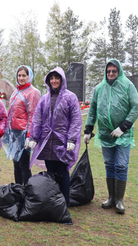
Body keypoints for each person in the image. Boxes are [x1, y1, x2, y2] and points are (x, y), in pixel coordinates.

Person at [84, 59, 138, 214]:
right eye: (108, 71)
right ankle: (111, 197)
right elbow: (93, 110)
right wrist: (88, 129)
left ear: (119, 71)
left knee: (121, 165)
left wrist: (123, 127)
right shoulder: (99, 88)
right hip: (105, 135)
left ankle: (119, 200)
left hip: (123, 134)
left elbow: (136, 106)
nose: (110, 74)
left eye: (113, 71)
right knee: (109, 165)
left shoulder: (127, 86)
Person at [28, 67, 82, 206]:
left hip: (62, 142)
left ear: (62, 79)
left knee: (63, 172)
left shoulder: (70, 97)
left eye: (56, 78)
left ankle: (65, 202)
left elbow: (76, 119)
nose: (54, 81)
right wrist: (34, 137)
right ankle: (54, 202)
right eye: (51, 78)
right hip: (47, 142)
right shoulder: (44, 99)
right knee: (51, 172)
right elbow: (37, 119)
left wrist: (71, 139)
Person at [2, 65, 41, 186]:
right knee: (16, 164)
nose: (21, 78)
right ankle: (18, 188)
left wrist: (30, 135)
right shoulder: (16, 92)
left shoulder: (33, 92)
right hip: (14, 133)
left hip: (24, 134)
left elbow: (33, 115)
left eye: (24, 75)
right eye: (19, 75)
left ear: (29, 76)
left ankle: (27, 191)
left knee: (24, 165)